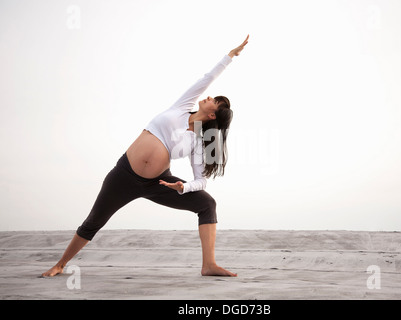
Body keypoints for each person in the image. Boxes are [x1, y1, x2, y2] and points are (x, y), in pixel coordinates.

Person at [41, 35, 249, 278]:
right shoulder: (183, 106)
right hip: (124, 176)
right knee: (94, 221)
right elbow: (207, 78)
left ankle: (209, 265)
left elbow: (201, 179)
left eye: (216, 102)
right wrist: (229, 57)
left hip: (158, 183)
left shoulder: (202, 141)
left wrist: (183, 187)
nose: (210, 97)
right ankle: (60, 264)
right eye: (214, 96)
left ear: (213, 116)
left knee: (207, 203)